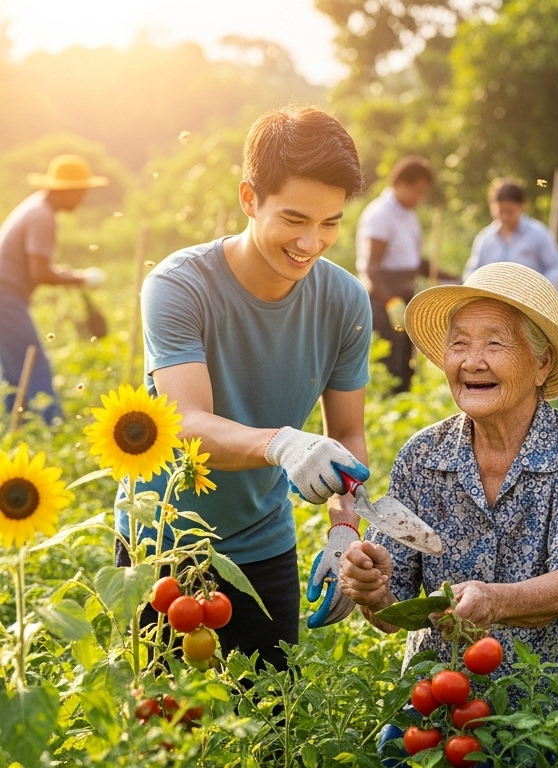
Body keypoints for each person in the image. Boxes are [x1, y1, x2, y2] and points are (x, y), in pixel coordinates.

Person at [125, 107, 373, 671]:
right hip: (163, 541)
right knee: (162, 737)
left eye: (331, 222)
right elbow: (186, 425)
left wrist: (344, 532)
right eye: (294, 219)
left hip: (263, 543)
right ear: (248, 198)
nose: (312, 242)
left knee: (266, 723)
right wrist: (282, 444)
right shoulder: (178, 286)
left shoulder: (344, 301)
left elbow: (350, 432)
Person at [337, 261, 558, 697]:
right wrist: (373, 594)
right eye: (459, 343)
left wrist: (496, 600)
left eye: (494, 343)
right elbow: (392, 614)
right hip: (444, 696)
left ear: (542, 364)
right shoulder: (422, 456)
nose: (472, 361)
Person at [0, 154, 106, 424]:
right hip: (5, 295)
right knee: (32, 364)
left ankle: (21, 428)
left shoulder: (35, 207)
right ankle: (50, 425)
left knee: (16, 369)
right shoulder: (42, 216)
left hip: (7, 294)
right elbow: (40, 272)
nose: (82, 199)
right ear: (67, 191)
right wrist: (81, 278)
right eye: (81, 191)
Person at [356, 156, 456, 394]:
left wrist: (448, 277)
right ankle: (387, 409)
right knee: (389, 361)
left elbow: (413, 261)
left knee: (406, 362)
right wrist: (390, 301)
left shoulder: (408, 215)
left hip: (405, 295)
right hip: (384, 298)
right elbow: (372, 269)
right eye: (417, 191)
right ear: (401, 183)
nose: (419, 198)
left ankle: (404, 405)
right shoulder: (381, 215)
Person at [462, 179, 558, 290]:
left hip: (530, 301)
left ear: (522, 206)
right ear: (492, 207)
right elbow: (470, 273)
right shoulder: (485, 239)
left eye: (510, 211)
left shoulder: (538, 234)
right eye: (501, 211)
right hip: (492, 302)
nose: (505, 217)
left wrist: (535, 287)